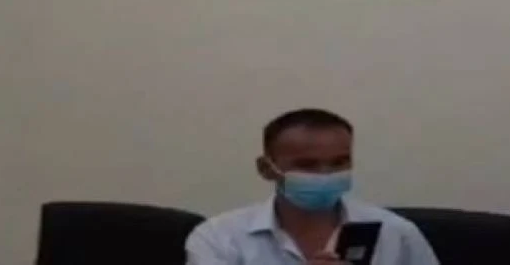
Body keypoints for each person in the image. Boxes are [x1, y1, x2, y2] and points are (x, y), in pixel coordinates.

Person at [185, 109, 439, 265]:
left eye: (339, 162)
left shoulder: (396, 234)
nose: (325, 175)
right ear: (266, 168)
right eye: (306, 165)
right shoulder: (220, 238)